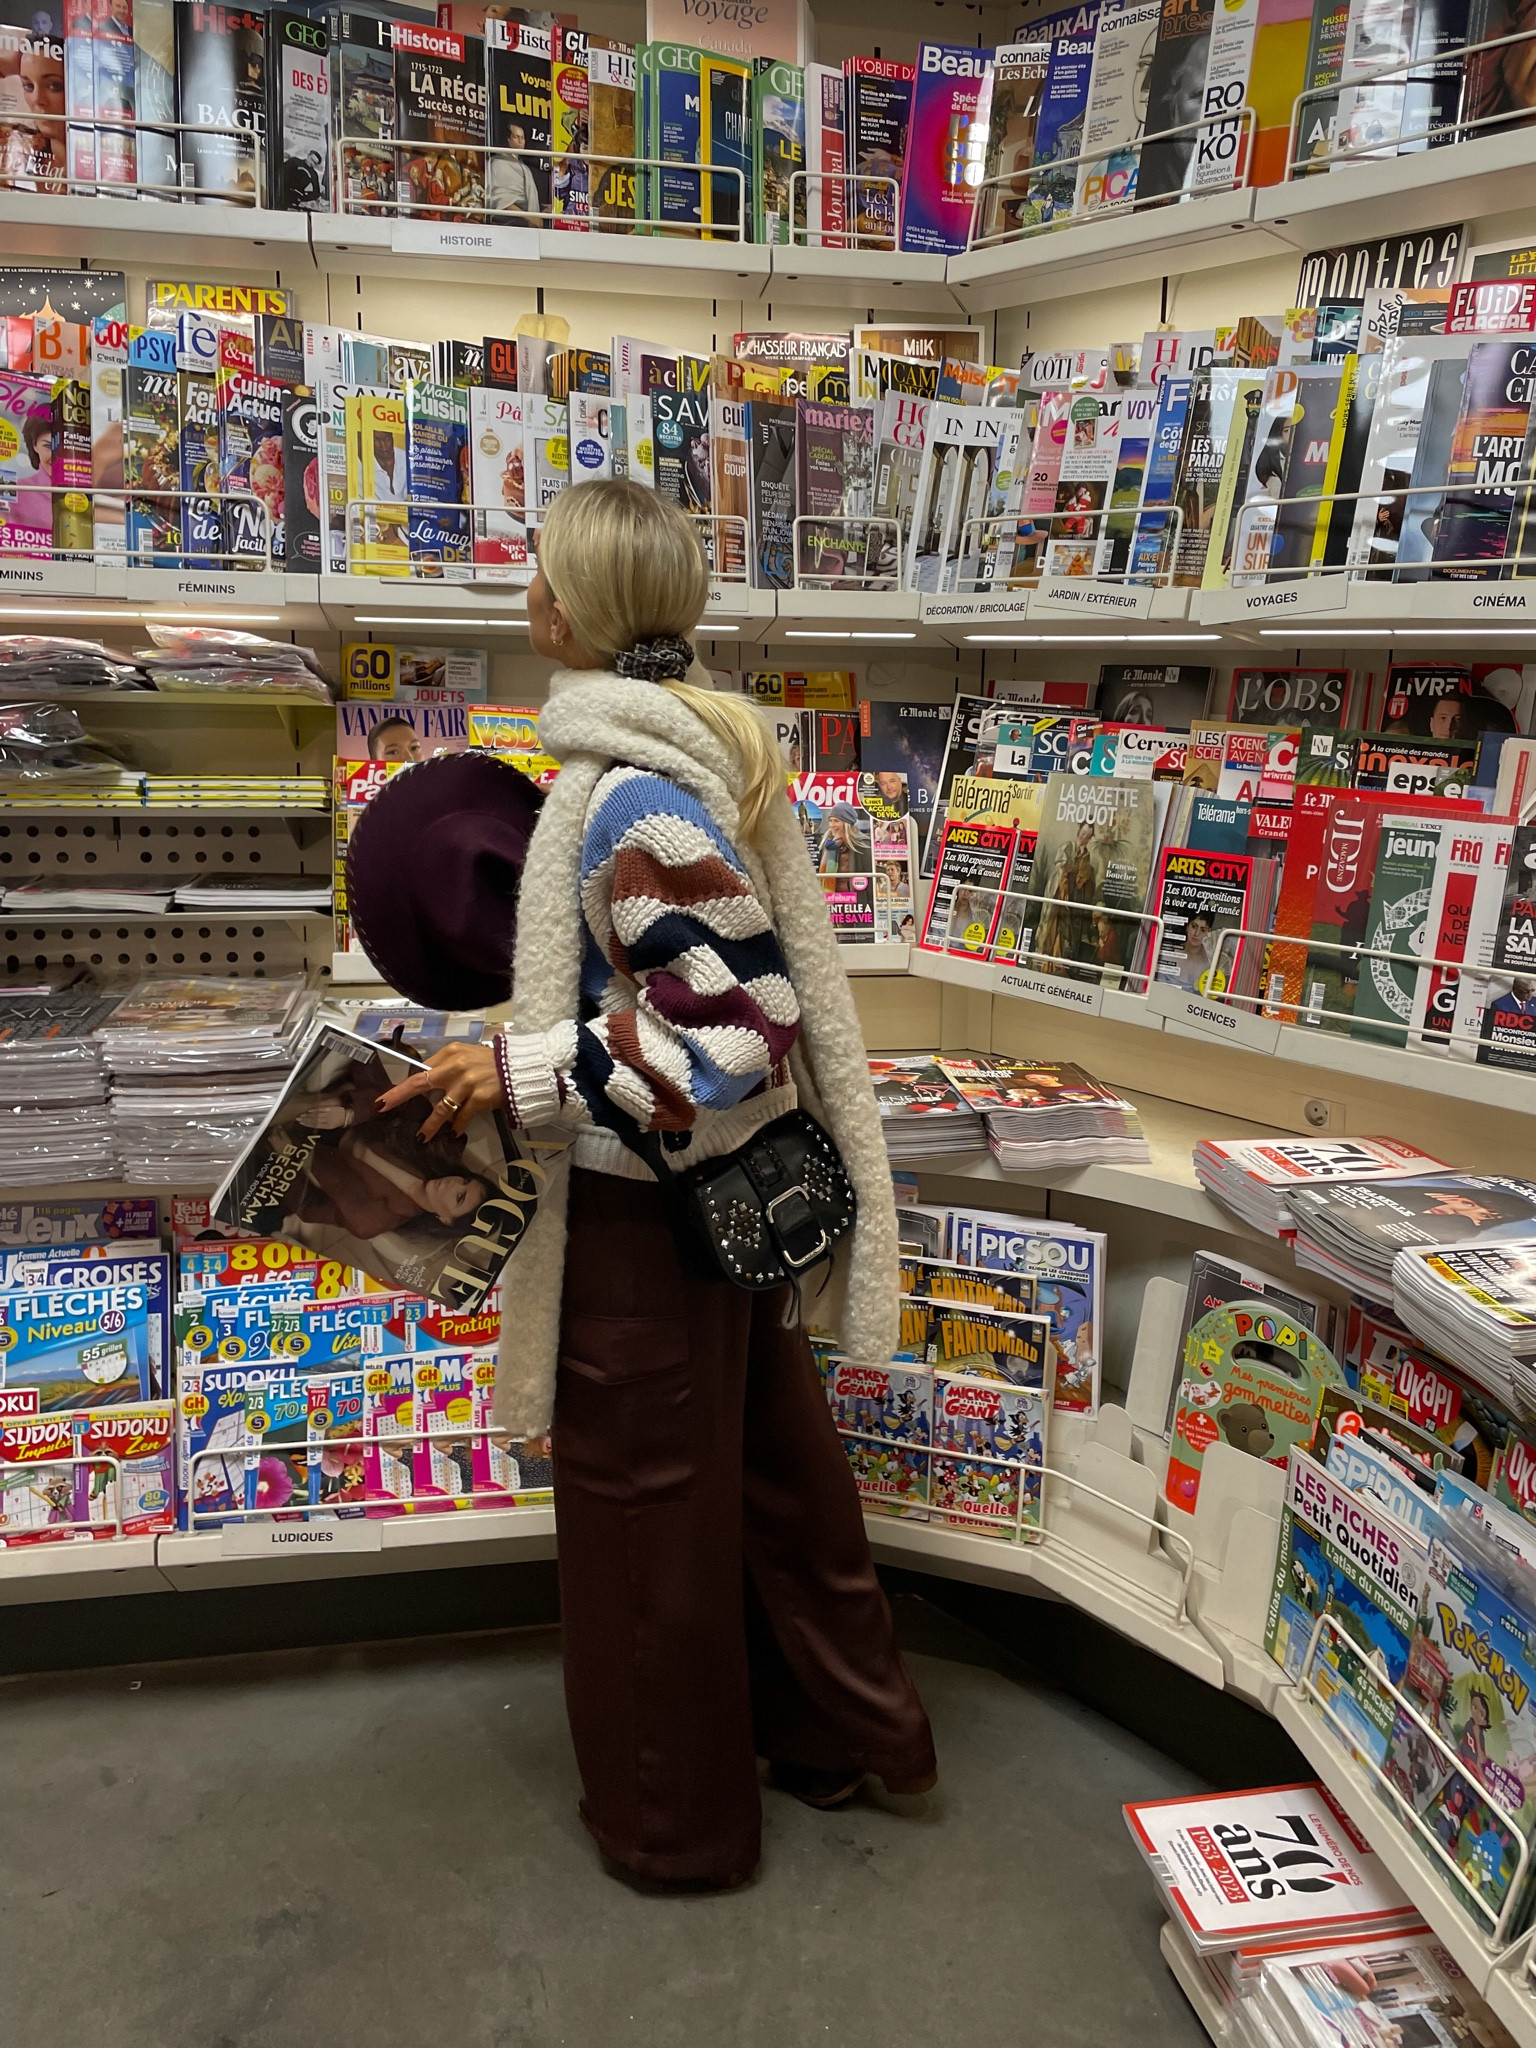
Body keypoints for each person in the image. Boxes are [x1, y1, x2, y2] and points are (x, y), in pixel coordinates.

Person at [377, 479, 934, 1895]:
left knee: (642, 1528)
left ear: (568, 609)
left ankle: (671, 1825)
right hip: (706, 1208)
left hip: (642, 1217)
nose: (524, 595)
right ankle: (828, 1734)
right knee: (761, 1488)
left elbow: (740, 1033)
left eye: (539, 576)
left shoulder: (629, 791)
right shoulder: (680, 753)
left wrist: (528, 1076)